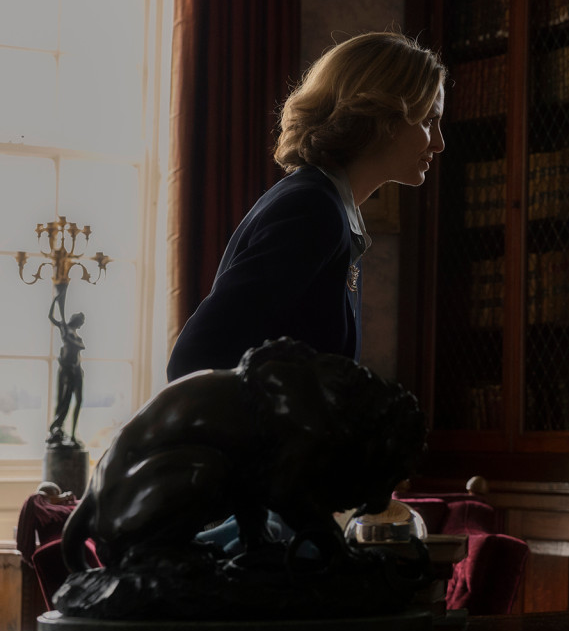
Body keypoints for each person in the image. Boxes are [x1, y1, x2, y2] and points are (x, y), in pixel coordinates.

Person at [167, 32, 447, 381]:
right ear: (382, 118)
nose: (439, 143)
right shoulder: (313, 209)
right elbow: (195, 359)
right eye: (428, 121)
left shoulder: (328, 206)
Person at [47, 281, 86, 446]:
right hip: (67, 370)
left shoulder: (74, 334)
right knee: (65, 401)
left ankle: (73, 434)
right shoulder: (64, 328)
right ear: (74, 319)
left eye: (81, 321)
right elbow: (51, 317)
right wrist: (55, 300)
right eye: (80, 320)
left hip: (78, 370)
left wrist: (73, 342)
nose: (80, 322)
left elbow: (81, 346)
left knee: (79, 400)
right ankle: (57, 427)